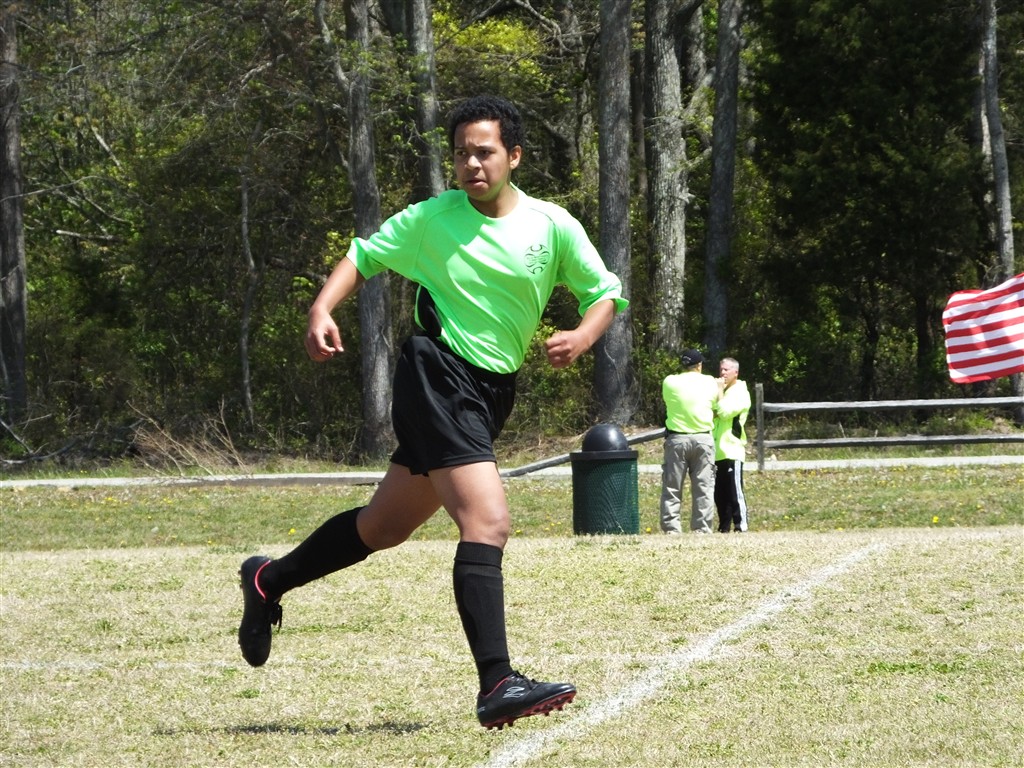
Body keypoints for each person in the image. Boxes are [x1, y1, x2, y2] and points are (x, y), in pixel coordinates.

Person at [236, 95, 628, 730]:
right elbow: (363, 256)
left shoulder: (552, 225)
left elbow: (605, 291)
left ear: (514, 156)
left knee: (383, 527)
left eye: (484, 152)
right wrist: (320, 308)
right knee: (487, 521)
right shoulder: (431, 218)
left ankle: (268, 581)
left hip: (491, 390)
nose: (471, 164)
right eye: (461, 154)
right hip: (437, 373)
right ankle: (497, 681)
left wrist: (584, 334)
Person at [660, 349, 719, 534]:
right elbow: (717, 406)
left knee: (672, 486)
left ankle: (672, 529)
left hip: (677, 439)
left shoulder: (669, 382)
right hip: (703, 438)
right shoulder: (710, 382)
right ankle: (702, 529)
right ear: (699, 365)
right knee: (704, 486)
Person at [713, 357, 751, 533]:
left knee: (735, 492)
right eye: (721, 369)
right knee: (719, 495)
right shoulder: (724, 392)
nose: (722, 373)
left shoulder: (740, 392)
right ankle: (724, 528)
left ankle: (741, 525)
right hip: (718, 451)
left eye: (726, 370)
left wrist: (719, 391)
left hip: (732, 449)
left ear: (736, 372)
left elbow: (724, 412)